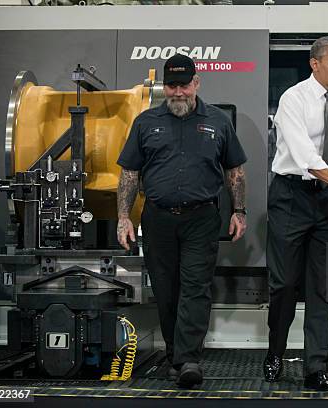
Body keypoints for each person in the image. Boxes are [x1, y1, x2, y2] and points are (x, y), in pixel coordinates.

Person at [116, 54, 247, 388]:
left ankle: (189, 359)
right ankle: (177, 352)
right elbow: (129, 173)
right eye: (171, 85)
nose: (177, 92)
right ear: (164, 86)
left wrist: (239, 211)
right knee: (165, 289)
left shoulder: (218, 121)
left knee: (195, 287)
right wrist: (122, 218)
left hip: (201, 218)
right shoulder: (146, 123)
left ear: (196, 83)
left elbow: (235, 171)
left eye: (184, 85)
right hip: (157, 219)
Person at [264, 36, 328, 391]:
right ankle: (275, 352)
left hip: (326, 201)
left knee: (323, 289)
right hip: (291, 196)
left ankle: (315, 367)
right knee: (285, 284)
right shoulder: (293, 98)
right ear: (315, 64)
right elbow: (305, 155)